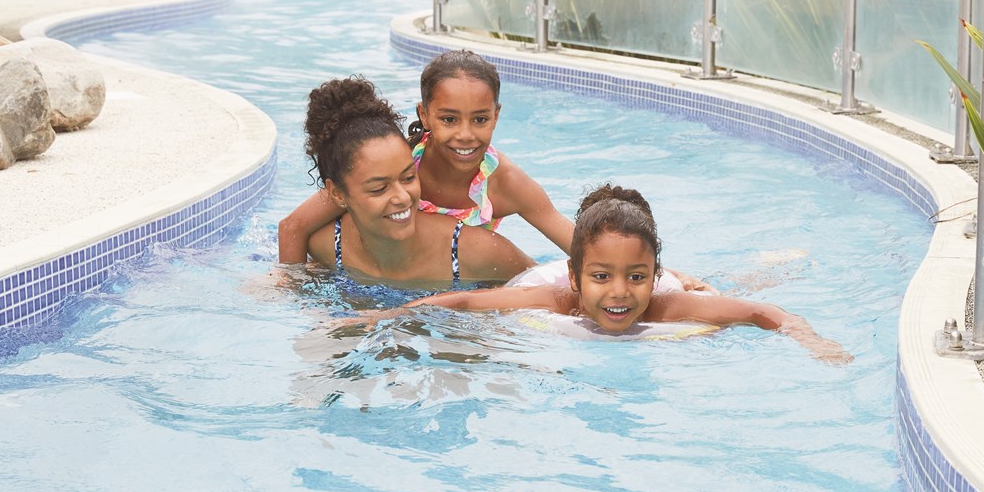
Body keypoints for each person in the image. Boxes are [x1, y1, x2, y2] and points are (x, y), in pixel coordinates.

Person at [402, 185, 853, 363]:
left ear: (654, 277)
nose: (620, 293)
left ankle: (773, 264)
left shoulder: (668, 303)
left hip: (684, 282)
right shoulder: (557, 298)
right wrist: (385, 318)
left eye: (636, 278)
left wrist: (811, 339)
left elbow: (758, 311)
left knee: (731, 284)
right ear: (575, 279)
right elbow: (463, 301)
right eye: (601, 277)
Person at [278, 49, 574, 262]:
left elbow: (579, 247)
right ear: (425, 114)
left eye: (480, 120)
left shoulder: (506, 184)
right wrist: (295, 289)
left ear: (495, 117)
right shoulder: (399, 166)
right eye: (449, 119)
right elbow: (293, 226)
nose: (466, 135)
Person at [296, 76, 535, 285]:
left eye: (409, 177)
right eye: (379, 188)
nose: (402, 197)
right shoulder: (325, 247)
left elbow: (549, 286)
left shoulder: (477, 252)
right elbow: (292, 229)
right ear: (337, 194)